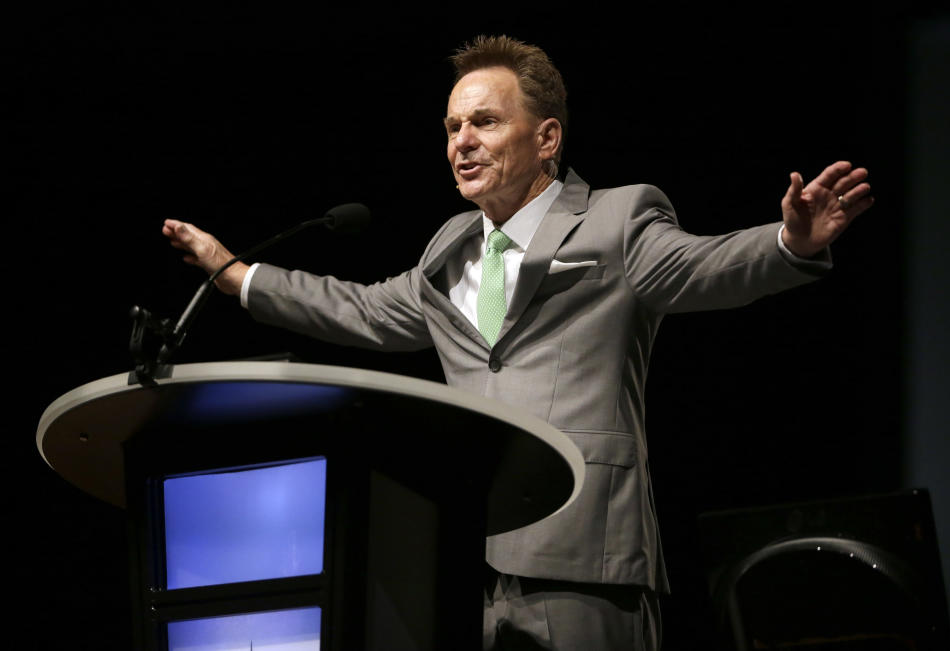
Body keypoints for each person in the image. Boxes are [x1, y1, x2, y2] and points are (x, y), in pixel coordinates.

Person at [162, 35, 872, 651]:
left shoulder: (617, 218)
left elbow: (703, 266)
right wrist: (238, 275)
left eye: (483, 122)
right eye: (450, 126)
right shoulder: (448, 249)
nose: (460, 142)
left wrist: (788, 243)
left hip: (584, 554)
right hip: (461, 561)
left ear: (547, 138)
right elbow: (363, 309)